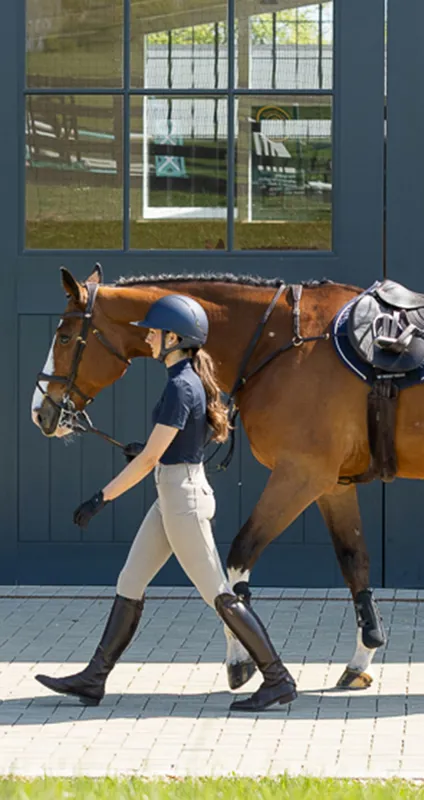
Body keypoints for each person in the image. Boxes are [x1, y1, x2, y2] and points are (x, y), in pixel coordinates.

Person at [35, 295, 296, 713]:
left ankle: (278, 679)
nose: (149, 337)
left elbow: (152, 458)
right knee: (130, 582)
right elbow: (174, 446)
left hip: (182, 503)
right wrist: (148, 452)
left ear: (174, 337)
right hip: (173, 493)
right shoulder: (187, 378)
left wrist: (102, 497)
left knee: (219, 593)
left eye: (155, 331)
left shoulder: (180, 385)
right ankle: (94, 678)